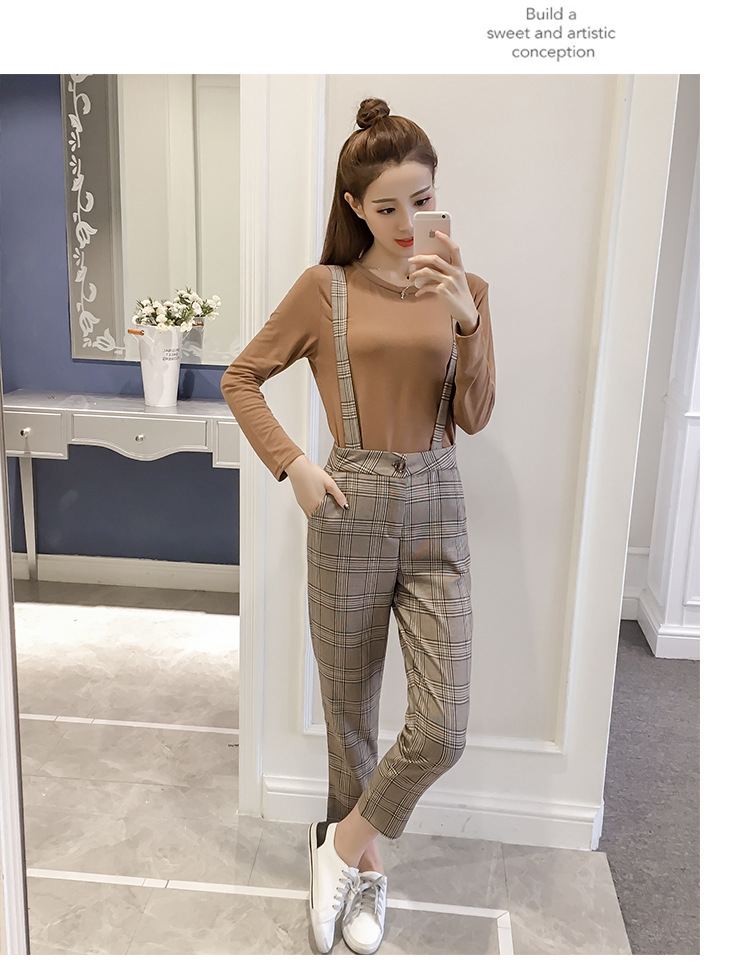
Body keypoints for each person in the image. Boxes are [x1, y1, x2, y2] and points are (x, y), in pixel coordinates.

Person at [221, 96, 495, 955]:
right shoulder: (324, 290)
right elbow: (241, 377)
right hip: (350, 505)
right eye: (388, 207)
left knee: (443, 728)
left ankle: (336, 849)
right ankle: (367, 867)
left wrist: (469, 323)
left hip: (439, 506)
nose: (409, 223)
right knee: (350, 712)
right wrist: (294, 466)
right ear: (354, 207)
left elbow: (476, 416)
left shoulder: (468, 292)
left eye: (424, 200)